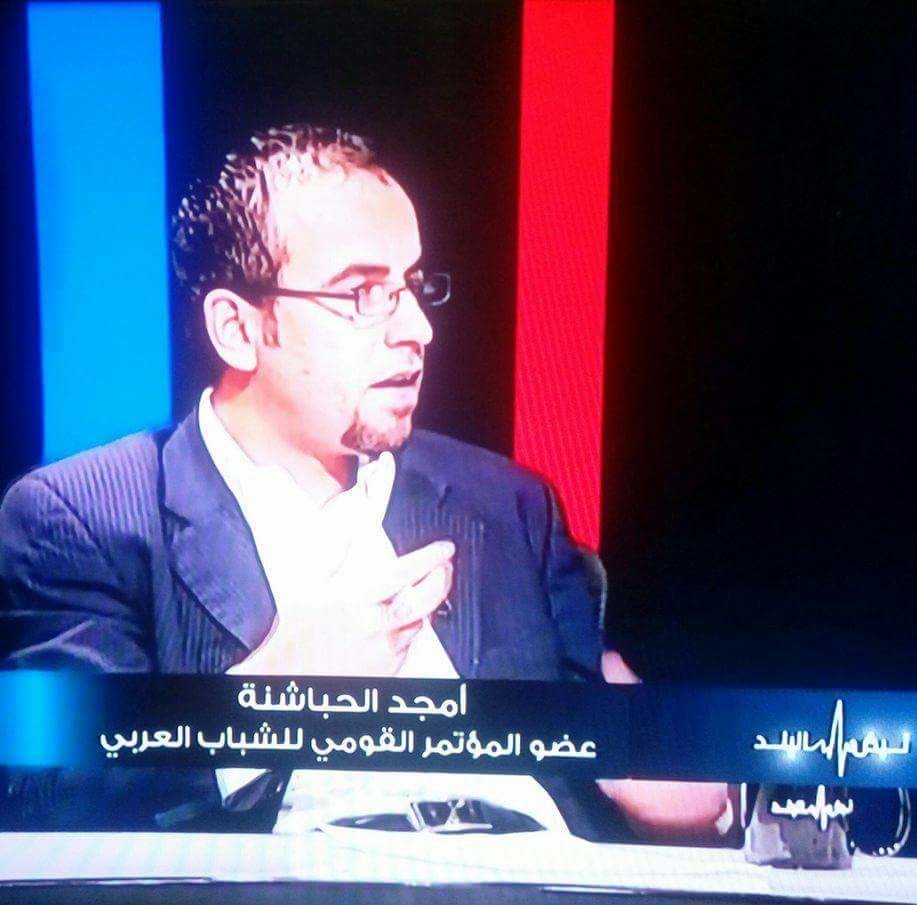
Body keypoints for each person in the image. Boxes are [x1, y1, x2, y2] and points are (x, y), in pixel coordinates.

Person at [0, 124, 731, 841]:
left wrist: (674, 776)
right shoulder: (87, 516)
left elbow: (609, 751)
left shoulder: (507, 505)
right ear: (239, 329)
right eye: (361, 293)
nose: (417, 329)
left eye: (411, 287)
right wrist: (270, 695)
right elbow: (47, 789)